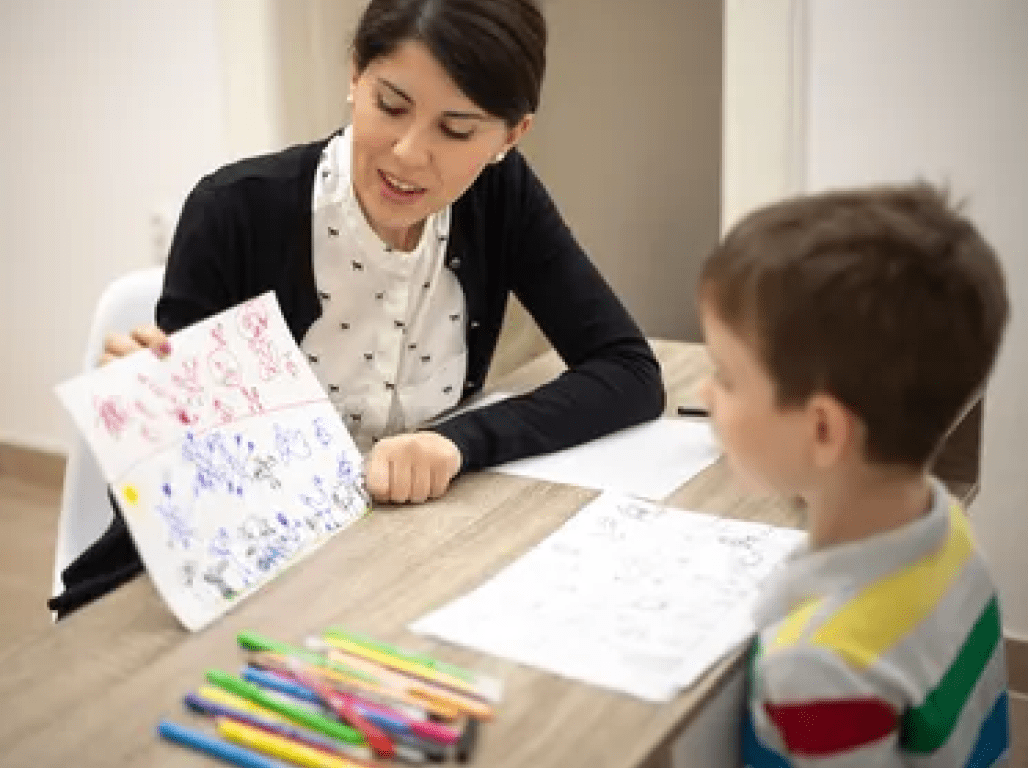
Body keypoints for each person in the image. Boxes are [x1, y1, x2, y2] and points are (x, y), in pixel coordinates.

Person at [48, 0, 664, 618]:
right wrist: (158, 412)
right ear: (354, 76)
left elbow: (628, 372)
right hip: (240, 581)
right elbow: (186, 502)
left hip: (401, 558)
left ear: (511, 135)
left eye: (456, 130)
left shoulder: (500, 196)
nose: (407, 152)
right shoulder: (233, 210)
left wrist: (452, 444)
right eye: (390, 106)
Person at [696, 184, 1010, 766]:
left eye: (726, 377)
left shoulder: (817, 668)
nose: (704, 392)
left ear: (823, 431)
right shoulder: (944, 525)